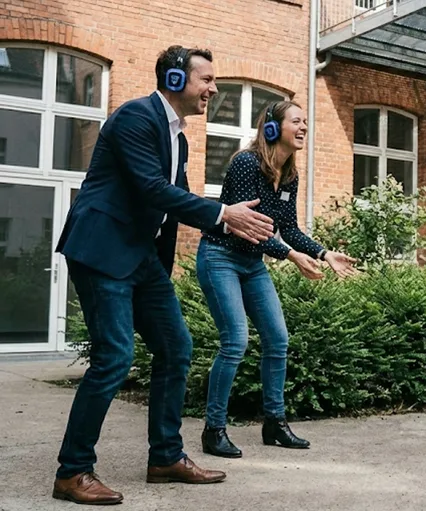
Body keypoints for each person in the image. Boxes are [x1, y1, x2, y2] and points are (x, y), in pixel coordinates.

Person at [53, 45, 275, 505]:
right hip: (103, 250)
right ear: (175, 80)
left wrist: (225, 226)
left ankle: (165, 457)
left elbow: (174, 203)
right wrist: (221, 214)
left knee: (176, 347)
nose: (213, 89)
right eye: (206, 80)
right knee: (115, 356)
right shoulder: (136, 117)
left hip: (142, 259)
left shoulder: (181, 137)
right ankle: (72, 471)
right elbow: (152, 188)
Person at [197, 101, 359, 458]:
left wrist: (323, 253)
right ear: (272, 128)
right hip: (221, 256)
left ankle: (274, 423)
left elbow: (289, 229)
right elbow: (245, 227)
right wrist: (289, 255)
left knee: (277, 339)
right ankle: (214, 429)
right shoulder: (246, 163)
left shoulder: (289, 174)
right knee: (235, 341)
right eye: (296, 121)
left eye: (305, 121)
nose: (304, 127)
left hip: (252, 264)